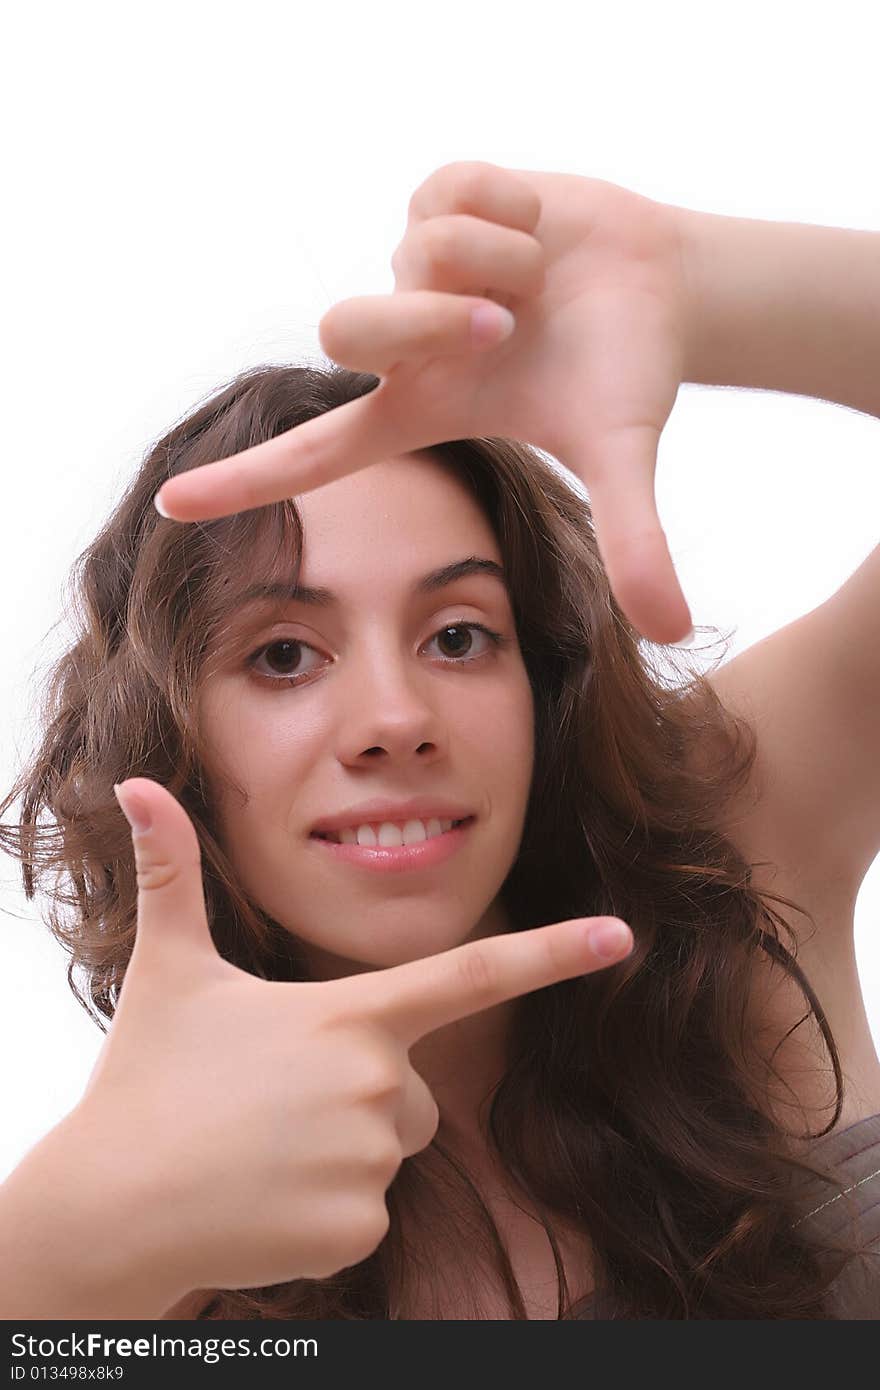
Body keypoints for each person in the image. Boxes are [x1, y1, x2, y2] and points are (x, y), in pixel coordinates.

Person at [1, 162, 878, 1320]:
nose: (396, 721)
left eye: (458, 635)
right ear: (166, 739)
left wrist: (713, 288)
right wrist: (49, 1255)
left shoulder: (731, 846)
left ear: (541, 675)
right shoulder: (131, 1239)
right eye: (280, 655)